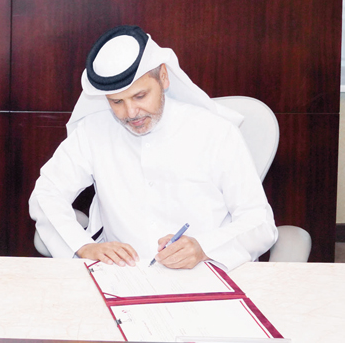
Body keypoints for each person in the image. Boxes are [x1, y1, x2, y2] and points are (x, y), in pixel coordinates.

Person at [29, 25, 276, 270]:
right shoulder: (93, 130)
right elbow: (47, 193)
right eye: (117, 102)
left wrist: (204, 248)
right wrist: (82, 246)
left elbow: (259, 222)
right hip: (119, 275)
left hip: (202, 274)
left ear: (164, 77)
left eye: (140, 96)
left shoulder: (216, 131)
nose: (130, 113)